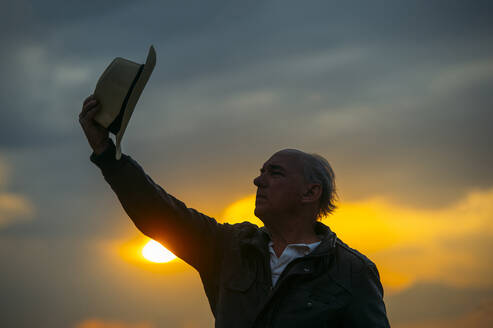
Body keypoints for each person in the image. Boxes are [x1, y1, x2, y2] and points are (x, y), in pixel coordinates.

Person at [79, 94, 391, 328]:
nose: (258, 180)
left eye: (275, 173)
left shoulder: (352, 273)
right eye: (261, 171)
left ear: (311, 192)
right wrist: (106, 153)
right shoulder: (229, 247)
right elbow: (160, 214)